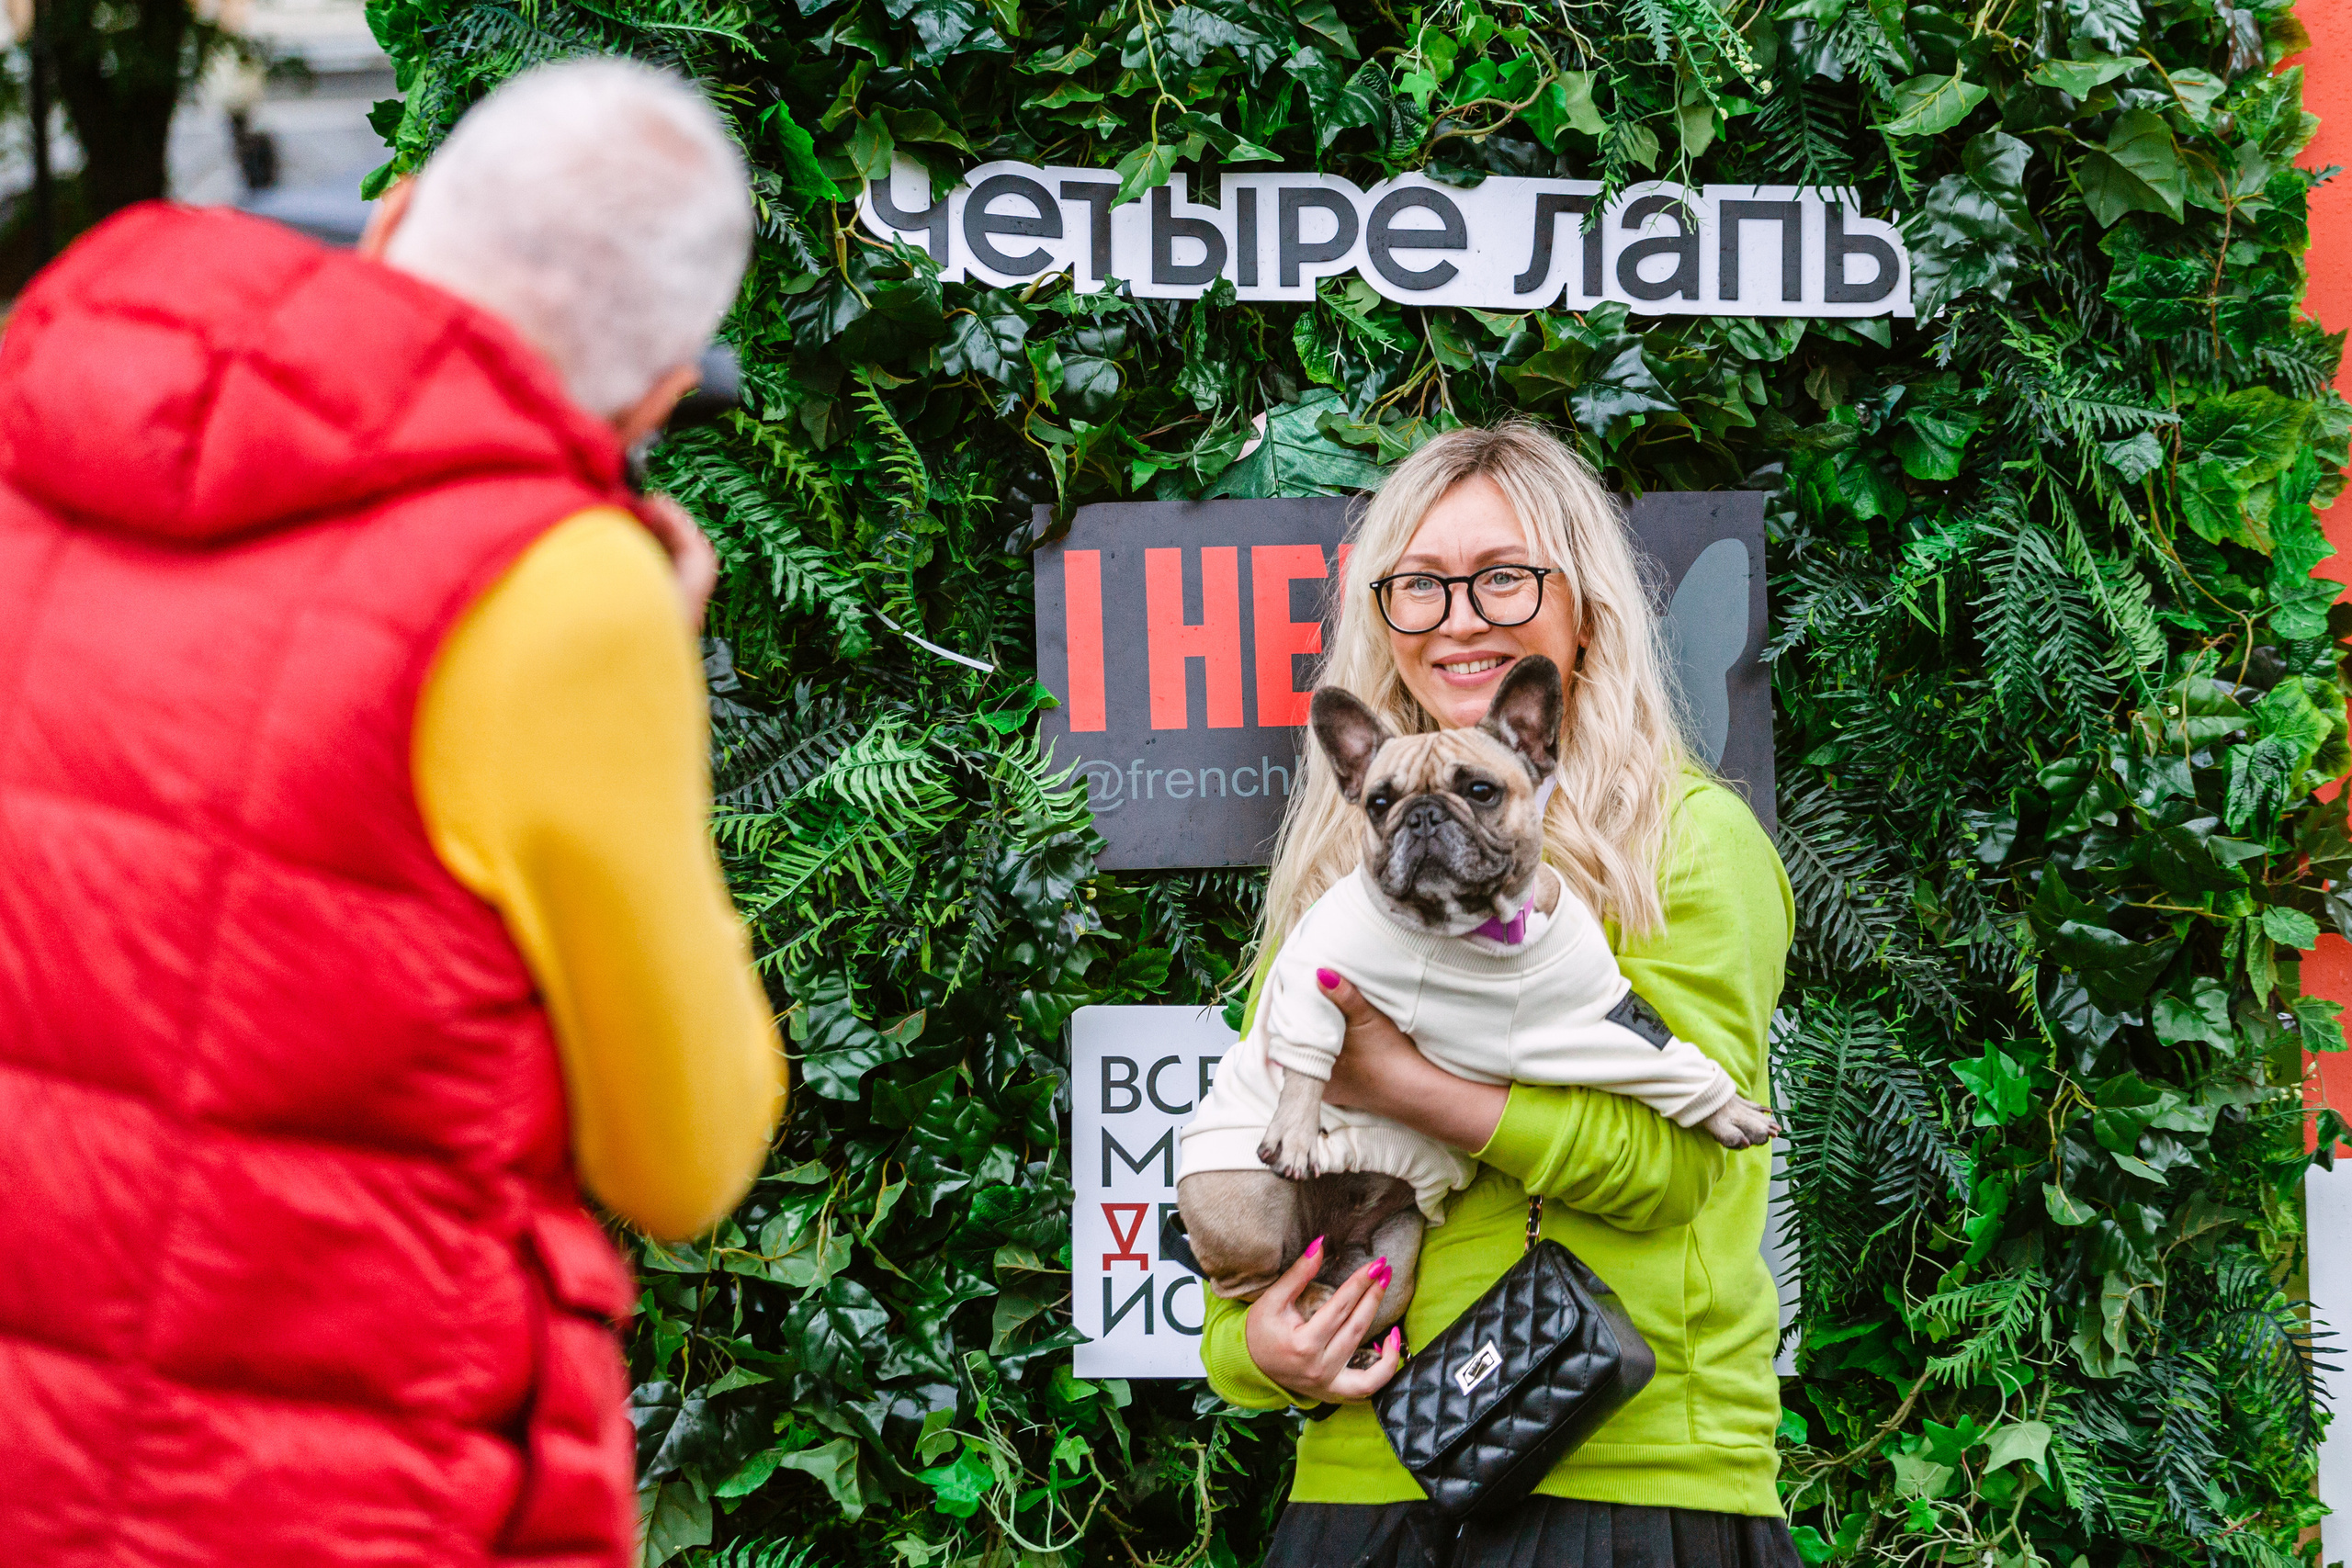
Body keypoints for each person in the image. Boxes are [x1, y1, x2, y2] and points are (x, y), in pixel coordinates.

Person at [0, 60, 782, 1568]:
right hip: (340, 1488)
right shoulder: (558, 588)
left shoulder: (36, 430)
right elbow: (685, 1160)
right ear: (660, 390)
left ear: (394, 215)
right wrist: (644, 676)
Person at [1198, 423, 1798, 1568]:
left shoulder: (1681, 842)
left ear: (1586, 605)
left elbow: (1676, 1170)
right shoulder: (1340, 879)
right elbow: (1244, 1158)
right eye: (1419, 586)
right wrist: (1252, 1353)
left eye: (1503, 578)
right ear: (1382, 615)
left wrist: (1402, 1084)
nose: (1459, 619)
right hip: (1364, 1480)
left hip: (1623, 1474)